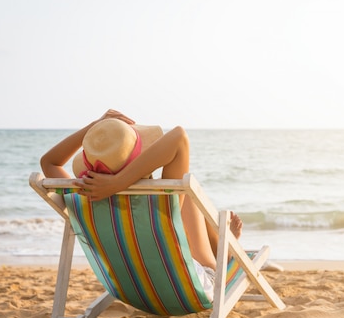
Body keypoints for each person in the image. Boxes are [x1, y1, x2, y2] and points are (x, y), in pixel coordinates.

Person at [40, 109, 242, 300]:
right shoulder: (158, 202)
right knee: (187, 193)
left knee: (181, 203)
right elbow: (179, 136)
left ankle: (223, 244)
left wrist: (93, 128)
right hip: (190, 291)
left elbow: (49, 162)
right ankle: (225, 249)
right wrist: (119, 182)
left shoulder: (80, 194)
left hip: (134, 292)